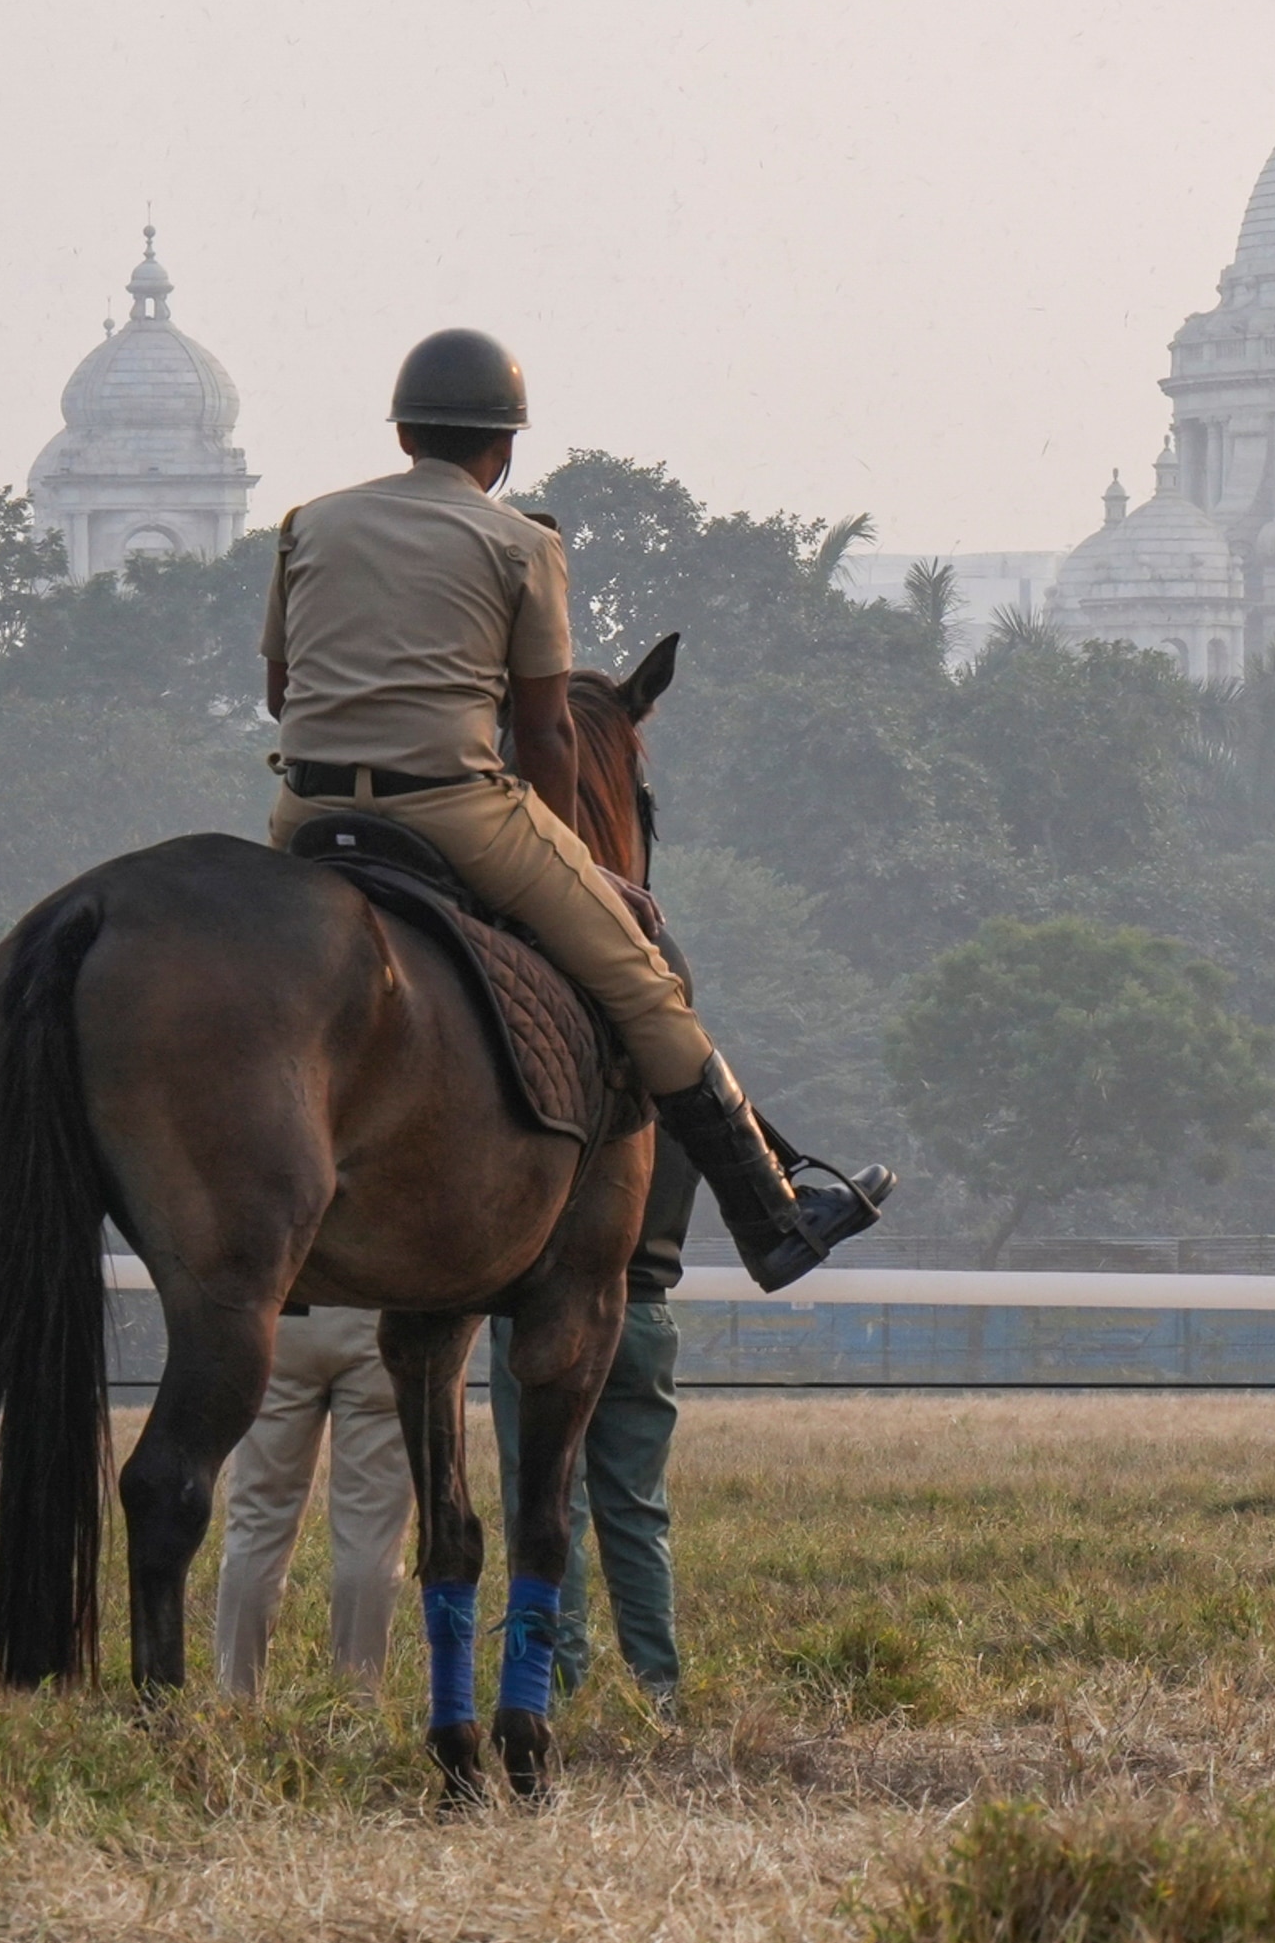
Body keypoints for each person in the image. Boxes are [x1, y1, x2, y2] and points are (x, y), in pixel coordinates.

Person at [262, 327, 891, 1288]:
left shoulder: (309, 523)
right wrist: (579, 859)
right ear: (503, 449)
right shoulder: (522, 543)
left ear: (402, 434)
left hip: (303, 814)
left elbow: (280, 692)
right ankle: (773, 1214)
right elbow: (548, 730)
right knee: (645, 980)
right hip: (451, 810)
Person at [487, 1145, 696, 1708]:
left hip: (543, 1308)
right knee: (638, 1510)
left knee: (544, 1500)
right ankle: (658, 1689)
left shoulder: (552, 1099)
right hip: (644, 1308)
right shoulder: (684, 1099)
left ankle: (553, 1685)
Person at [212, 1306, 410, 1698]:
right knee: (371, 1527)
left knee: (257, 1518)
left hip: (284, 1314)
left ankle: (234, 1695)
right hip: (376, 1317)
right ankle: (358, 1700)